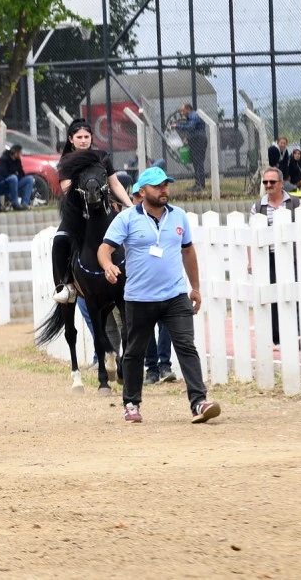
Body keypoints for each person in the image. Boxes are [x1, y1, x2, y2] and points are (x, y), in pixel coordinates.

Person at [98, 166, 221, 424]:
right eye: (157, 186)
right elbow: (104, 249)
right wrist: (108, 265)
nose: (164, 190)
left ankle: (198, 402)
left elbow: (188, 252)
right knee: (135, 351)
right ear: (142, 192)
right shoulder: (128, 218)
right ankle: (131, 403)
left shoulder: (178, 217)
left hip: (175, 295)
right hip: (139, 298)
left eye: (166, 185)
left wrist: (195, 287)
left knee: (186, 346)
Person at [50, 119, 134, 304]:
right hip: (78, 214)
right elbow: (66, 189)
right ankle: (68, 285)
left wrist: (130, 207)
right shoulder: (66, 161)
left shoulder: (102, 157)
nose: (83, 140)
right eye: (79, 137)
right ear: (71, 139)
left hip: (103, 210)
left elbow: (115, 184)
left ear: (91, 138)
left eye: (86, 136)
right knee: (60, 240)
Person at [246, 166, 301, 346]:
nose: (268, 185)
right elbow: (251, 237)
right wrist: (250, 260)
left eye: (272, 182)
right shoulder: (258, 206)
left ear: (281, 183)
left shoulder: (296, 203)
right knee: (272, 297)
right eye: (265, 182)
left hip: (291, 258)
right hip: (267, 258)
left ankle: (297, 333)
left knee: (294, 295)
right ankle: (277, 337)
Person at [174, 102, 208, 191]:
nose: (182, 113)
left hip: (199, 141)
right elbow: (193, 130)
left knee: (198, 163)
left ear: (188, 109)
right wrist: (187, 138)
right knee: (196, 163)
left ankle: (200, 185)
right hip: (195, 140)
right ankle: (198, 183)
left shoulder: (193, 116)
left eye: (183, 110)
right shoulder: (191, 117)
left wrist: (178, 125)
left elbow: (190, 127)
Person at [0, 144, 34, 210]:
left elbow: (21, 173)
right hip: (3, 183)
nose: (21, 154)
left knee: (29, 179)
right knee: (13, 178)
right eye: (20, 153)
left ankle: (25, 203)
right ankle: (15, 203)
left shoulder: (17, 160)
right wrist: (15, 175)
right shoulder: (4, 159)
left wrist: (18, 176)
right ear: (15, 153)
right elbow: (2, 173)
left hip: (14, 182)